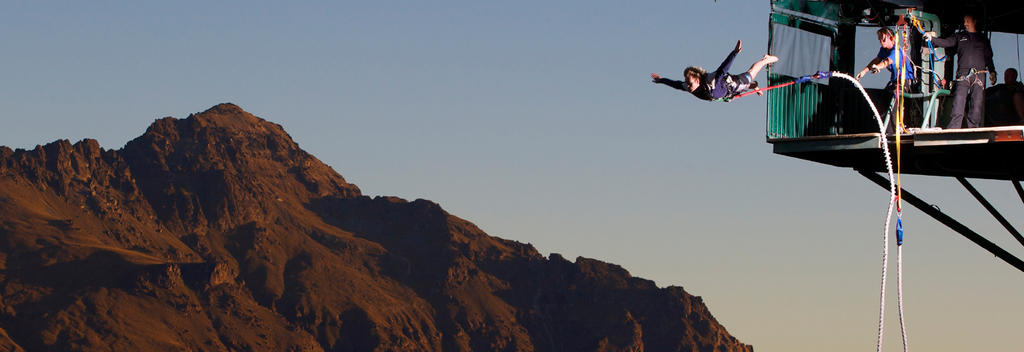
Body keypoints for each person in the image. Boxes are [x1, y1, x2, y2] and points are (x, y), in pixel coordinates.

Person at [924, 13, 996, 129]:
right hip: (963, 75)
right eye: (964, 21)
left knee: (976, 104)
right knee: (958, 102)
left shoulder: (982, 39)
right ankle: (954, 128)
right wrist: (932, 39)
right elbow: (947, 42)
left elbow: (988, 57)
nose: (965, 24)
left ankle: (973, 128)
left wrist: (992, 71)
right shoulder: (959, 36)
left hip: (979, 75)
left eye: (967, 21)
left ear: (974, 21)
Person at [651, 40, 779, 101]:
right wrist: (661, 80)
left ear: (698, 80)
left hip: (734, 83)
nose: (688, 86)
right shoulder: (689, 87)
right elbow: (676, 84)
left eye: (690, 83)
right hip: (728, 92)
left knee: (751, 73)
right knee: (746, 85)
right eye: (687, 83)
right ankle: (754, 85)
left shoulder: (711, 80)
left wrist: (734, 53)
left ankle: (765, 60)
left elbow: (723, 68)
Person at [855, 27, 917, 133]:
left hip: (904, 81)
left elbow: (887, 62)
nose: (881, 41)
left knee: (894, 103)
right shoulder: (884, 50)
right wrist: (864, 71)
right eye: (879, 39)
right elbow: (877, 60)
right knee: (882, 101)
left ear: (891, 38)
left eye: (883, 38)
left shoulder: (896, 51)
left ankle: (894, 130)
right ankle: (885, 128)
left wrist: (878, 67)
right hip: (894, 81)